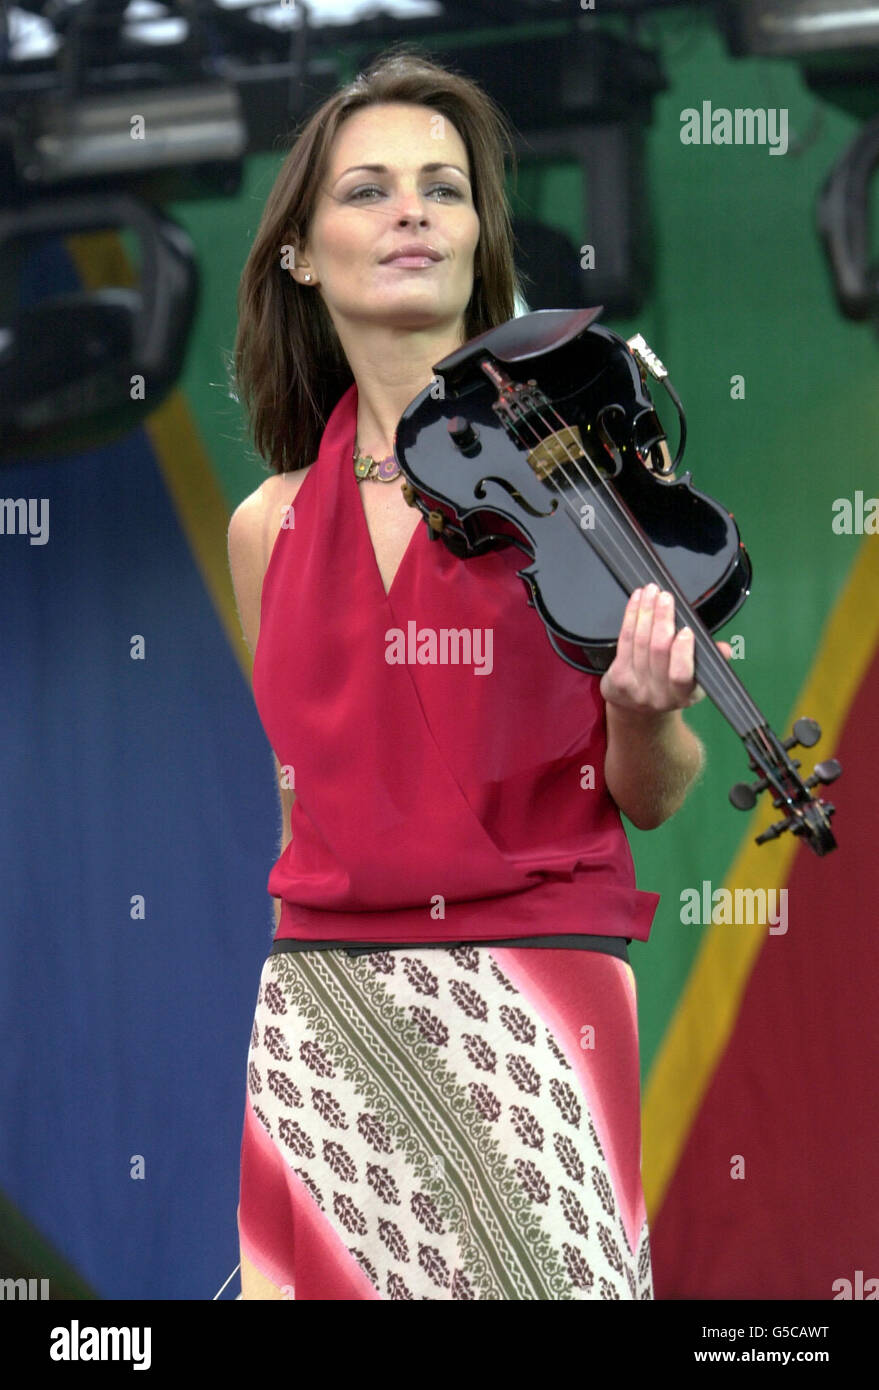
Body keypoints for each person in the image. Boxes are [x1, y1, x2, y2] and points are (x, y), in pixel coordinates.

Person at [227, 46, 729, 1301]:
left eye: (442, 189)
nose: (411, 210)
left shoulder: (588, 486)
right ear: (298, 252)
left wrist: (641, 715)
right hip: (323, 1003)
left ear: (477, 242)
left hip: (536, 981)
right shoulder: (265, 524)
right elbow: (308, 802)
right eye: (369, 189)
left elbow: (658, 791)